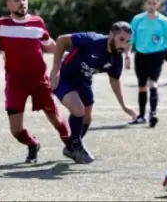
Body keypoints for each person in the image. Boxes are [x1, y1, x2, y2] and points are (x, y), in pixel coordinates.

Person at [0, 0, 70, 164]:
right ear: (8, 4)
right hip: (15, 83)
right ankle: (32, 143)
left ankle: (73, 144)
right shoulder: (1, 24)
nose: (22, 2)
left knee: (57, 120)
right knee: (16, 130)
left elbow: (51, 45)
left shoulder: (38, 22)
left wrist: (68, 56)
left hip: (39, 81)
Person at [49, 22, 137, 164]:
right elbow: (61, 40)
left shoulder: (116, 59)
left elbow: (114, 81)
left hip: (84, 83)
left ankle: (71, 147)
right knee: (78, 110)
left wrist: (124, 106)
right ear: (111, 35)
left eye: (127, 41)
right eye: (121, 39)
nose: (124, 45)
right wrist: (55, 70)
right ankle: (77, 146)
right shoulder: (92, 40)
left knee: (87, 118)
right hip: (64, 78)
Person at [126, 0, 167, 127]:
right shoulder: (137, 19)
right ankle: (141, 116)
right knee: (142, 86)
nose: (152, 6)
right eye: (149, 3)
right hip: (141, 56)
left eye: (154, 3)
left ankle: (153, 113)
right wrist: (128, 55)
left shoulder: (164, 21)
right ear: (145, 4)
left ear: (158, 4)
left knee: (153, 83)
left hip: (156, 56)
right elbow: (131, 39)